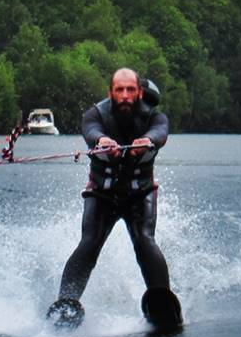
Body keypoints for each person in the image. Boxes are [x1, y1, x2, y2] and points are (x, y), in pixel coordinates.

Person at [50, 68, 176, 323]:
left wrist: (147, 141)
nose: (126, 95)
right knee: (90, 242)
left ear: (139, 92)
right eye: (120, 90)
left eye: (131, 90)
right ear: (111, 92)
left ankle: (161, 300)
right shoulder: (94, 115)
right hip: (102, 193)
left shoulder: (155, 117)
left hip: (140, 193)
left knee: (144, 240)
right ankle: (66, 303)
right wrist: (101, 140)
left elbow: (160, 133)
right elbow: (91, 131)